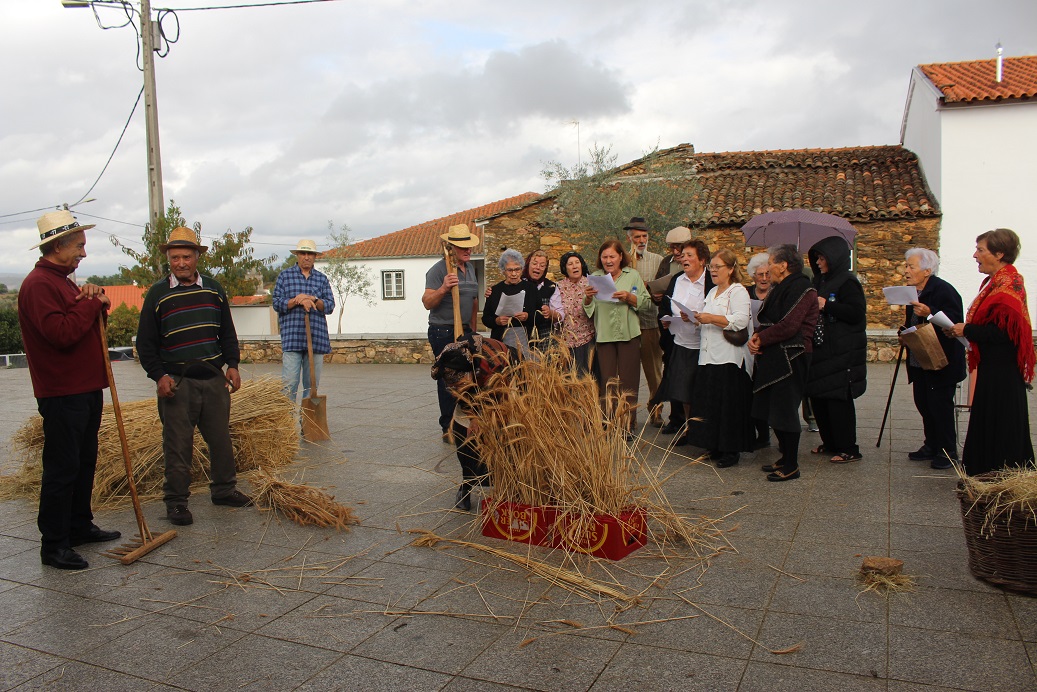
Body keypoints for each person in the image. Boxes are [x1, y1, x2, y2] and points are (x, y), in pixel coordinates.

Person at [18, 211, 121, 570]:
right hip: (62, 392)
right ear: (58, 246)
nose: (83, 253)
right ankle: (54, 545)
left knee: (84, 461)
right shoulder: (38, 285)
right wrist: (91, 302)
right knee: (62, 468)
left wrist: (96, 300)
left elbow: (88, 323)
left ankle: (78, 525)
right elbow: (60, 334)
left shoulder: (63, 282)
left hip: (84, 388)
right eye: (79, 246)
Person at [137, 227, 252, 527]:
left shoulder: (214, 289)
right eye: (175, 257)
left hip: (214, 379)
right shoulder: (158, 294)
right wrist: (159, 376)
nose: (181, 263)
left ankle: (224, 490)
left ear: (197, 257)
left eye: (186, 257)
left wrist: (233, 365)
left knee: (221, 439)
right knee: (177, 445)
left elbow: (227, 332)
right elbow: (146, 343)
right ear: (168, 258)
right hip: (178, 383)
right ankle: (176, 502)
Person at [945, 229, 1035, 475]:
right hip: (992, 366)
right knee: (990, 419)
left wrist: (967, 329)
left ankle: (1002, 472)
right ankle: (985, 471)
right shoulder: (994, 283)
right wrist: (963, 331)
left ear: (999, 254)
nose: (975, 255)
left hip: (1002, 370)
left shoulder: (1009, 284)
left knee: (1002, 422)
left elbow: (1003, 333)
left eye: (980, 250)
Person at [749, 244, 819, 481]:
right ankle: (784, 457)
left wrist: (762, 337)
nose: (767, 268)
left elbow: (790, 325)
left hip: (793, 355)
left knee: (785, 409)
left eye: (770, 263)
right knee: (771, 408)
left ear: (783, 265)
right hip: (774, 352)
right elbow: (770, 319)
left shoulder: (804, 289)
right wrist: (757, 336)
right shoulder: (780, 288)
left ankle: (791, 464)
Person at [685, 249, 754, 467]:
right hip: (708, 355)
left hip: (727, 356)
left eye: (718, 267)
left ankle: (730, 450)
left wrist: (711, 318)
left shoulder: (738, 291)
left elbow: (740, 320)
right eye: (711, 267)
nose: (713, 271)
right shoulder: (712, 292)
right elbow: (707, 320)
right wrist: (694, 318)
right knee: (710, 403)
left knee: (728, 405)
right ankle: (713, 445)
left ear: (731, 269)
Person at [899, 248, 967, 469]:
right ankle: (931, 444)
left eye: (911, 266)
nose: (906, 270)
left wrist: (930, 312)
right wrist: (904, 333)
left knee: (940, 406)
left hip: (941, 359)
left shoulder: (944, 290)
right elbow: (911, 321)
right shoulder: (913, 292)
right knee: (923, 403)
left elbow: (954, 323)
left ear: (927, 271)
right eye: (906, 266)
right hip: (919, 358)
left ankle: (947, 452)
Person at [806, 236, 867, 464]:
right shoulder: (819, 280)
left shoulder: (848, 282)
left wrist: (827, 305)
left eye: (822, 258)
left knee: (837, 399)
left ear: (834, 258)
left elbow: (856, 313)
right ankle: (830, 442)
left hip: (841, 351)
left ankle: (848, 447)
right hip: (821, 349)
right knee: (819, 397)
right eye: (817, 258)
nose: (818, 262)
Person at [584, 239, 650, 434]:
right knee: (608, 381)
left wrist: (629, 298)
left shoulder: (633, 275)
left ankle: (628, 424)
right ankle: (609, 423)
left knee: (629, 381)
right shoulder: (596, 277)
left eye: (612, 256)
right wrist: (588, 297)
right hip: (605, 335)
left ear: (621, 256)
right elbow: (587, 308)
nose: (608, 260)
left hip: (629, 334)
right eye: (604, 257)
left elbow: (646, 303)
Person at [422, 224, 481, 439]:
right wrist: (444, 288)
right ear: (451, 248)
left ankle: (464, 424)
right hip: (443, 330)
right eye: (463, 247)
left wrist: (473, 330)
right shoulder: (438, 270)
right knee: (448, 379)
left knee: (468, 377)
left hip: (464, 329)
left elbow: (473, 301)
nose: (468, 250)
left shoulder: (471, 269)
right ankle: (448, 427)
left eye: (469, 246)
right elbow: (427, 302)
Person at [654, 239, 714, 445]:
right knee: (683, 390)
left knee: (702, 390)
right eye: (683, 255)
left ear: (702, 260)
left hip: (705, 344)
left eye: (689, 255)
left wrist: (697, 316)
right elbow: (665, 304)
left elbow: (717, 309)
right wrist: (664, 319)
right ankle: (690, 429)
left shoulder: (711, 281)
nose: (684, 258)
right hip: (681, 342)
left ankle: (707, 431)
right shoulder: (677, 279)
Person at [272, 239, 336, 405]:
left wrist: (313, 299)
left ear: (315, 257)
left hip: (316, 339)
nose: (306, 257)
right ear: (297, 255)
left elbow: (330, 306)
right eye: (303, 253)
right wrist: (297, 300)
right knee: (289, 385)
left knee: (311, 387)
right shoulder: (285, 276)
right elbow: (277, 303)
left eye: (310, 254)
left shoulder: (322, 279)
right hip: (292, 339)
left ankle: (307, 421)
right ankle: (288, 421)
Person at [624, 217, 665, 426]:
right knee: (627, 373)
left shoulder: (658, 260)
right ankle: (627, 414)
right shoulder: (621, 259)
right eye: (637, 237)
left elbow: (663, 287)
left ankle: (656, 410)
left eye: (644, 237)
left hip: (650, 322)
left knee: (654, 371)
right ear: (629, 238)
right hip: (627, 324)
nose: (641, 241)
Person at [655, 226, 693, 434]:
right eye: (672, 248)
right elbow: (658, 287)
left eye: (679, 247)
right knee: (673, 373)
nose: (676, 252)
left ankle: (693, 421)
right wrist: (657, 297)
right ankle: (676, 418)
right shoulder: (665, 263)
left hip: (693, 332)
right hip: (672, 329)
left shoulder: (697, 264)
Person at [483, 248, 538, 356]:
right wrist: (496, 321)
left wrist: (528, 316)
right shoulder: (495, 290)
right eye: (510, 270)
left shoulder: (531, 289)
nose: (514, 274)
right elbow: (485, 318)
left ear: (522, 269)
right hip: (501, 339)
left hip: (526, 339)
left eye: (517, 270)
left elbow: (541, 315)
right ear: (503, 270)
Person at [549, 251, 595, 375]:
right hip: (564, 343)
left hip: (587, 340)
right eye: (570, 264)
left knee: (586, 377)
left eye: (577, 263)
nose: (574, 266)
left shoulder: (591, 285)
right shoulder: (557, 287)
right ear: (565, 268)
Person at [747, 252, 772, 449]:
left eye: (767, 274)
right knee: (751, 392)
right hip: (748, 346)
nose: (764, 278)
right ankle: (756, 432)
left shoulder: (777, 293)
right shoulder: (745, 293)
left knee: (766, 393)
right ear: (753, 276)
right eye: (760, 274)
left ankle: (767, 434)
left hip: (769, 347)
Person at [521, 249, 557, 349]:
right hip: (520, 338)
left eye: (542, 265)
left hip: (545, 341)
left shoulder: (552, 287)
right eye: (534, 263)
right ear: (527, 264)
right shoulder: (517, 284)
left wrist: (550, 313)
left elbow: (560, 315)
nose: (538, 267)